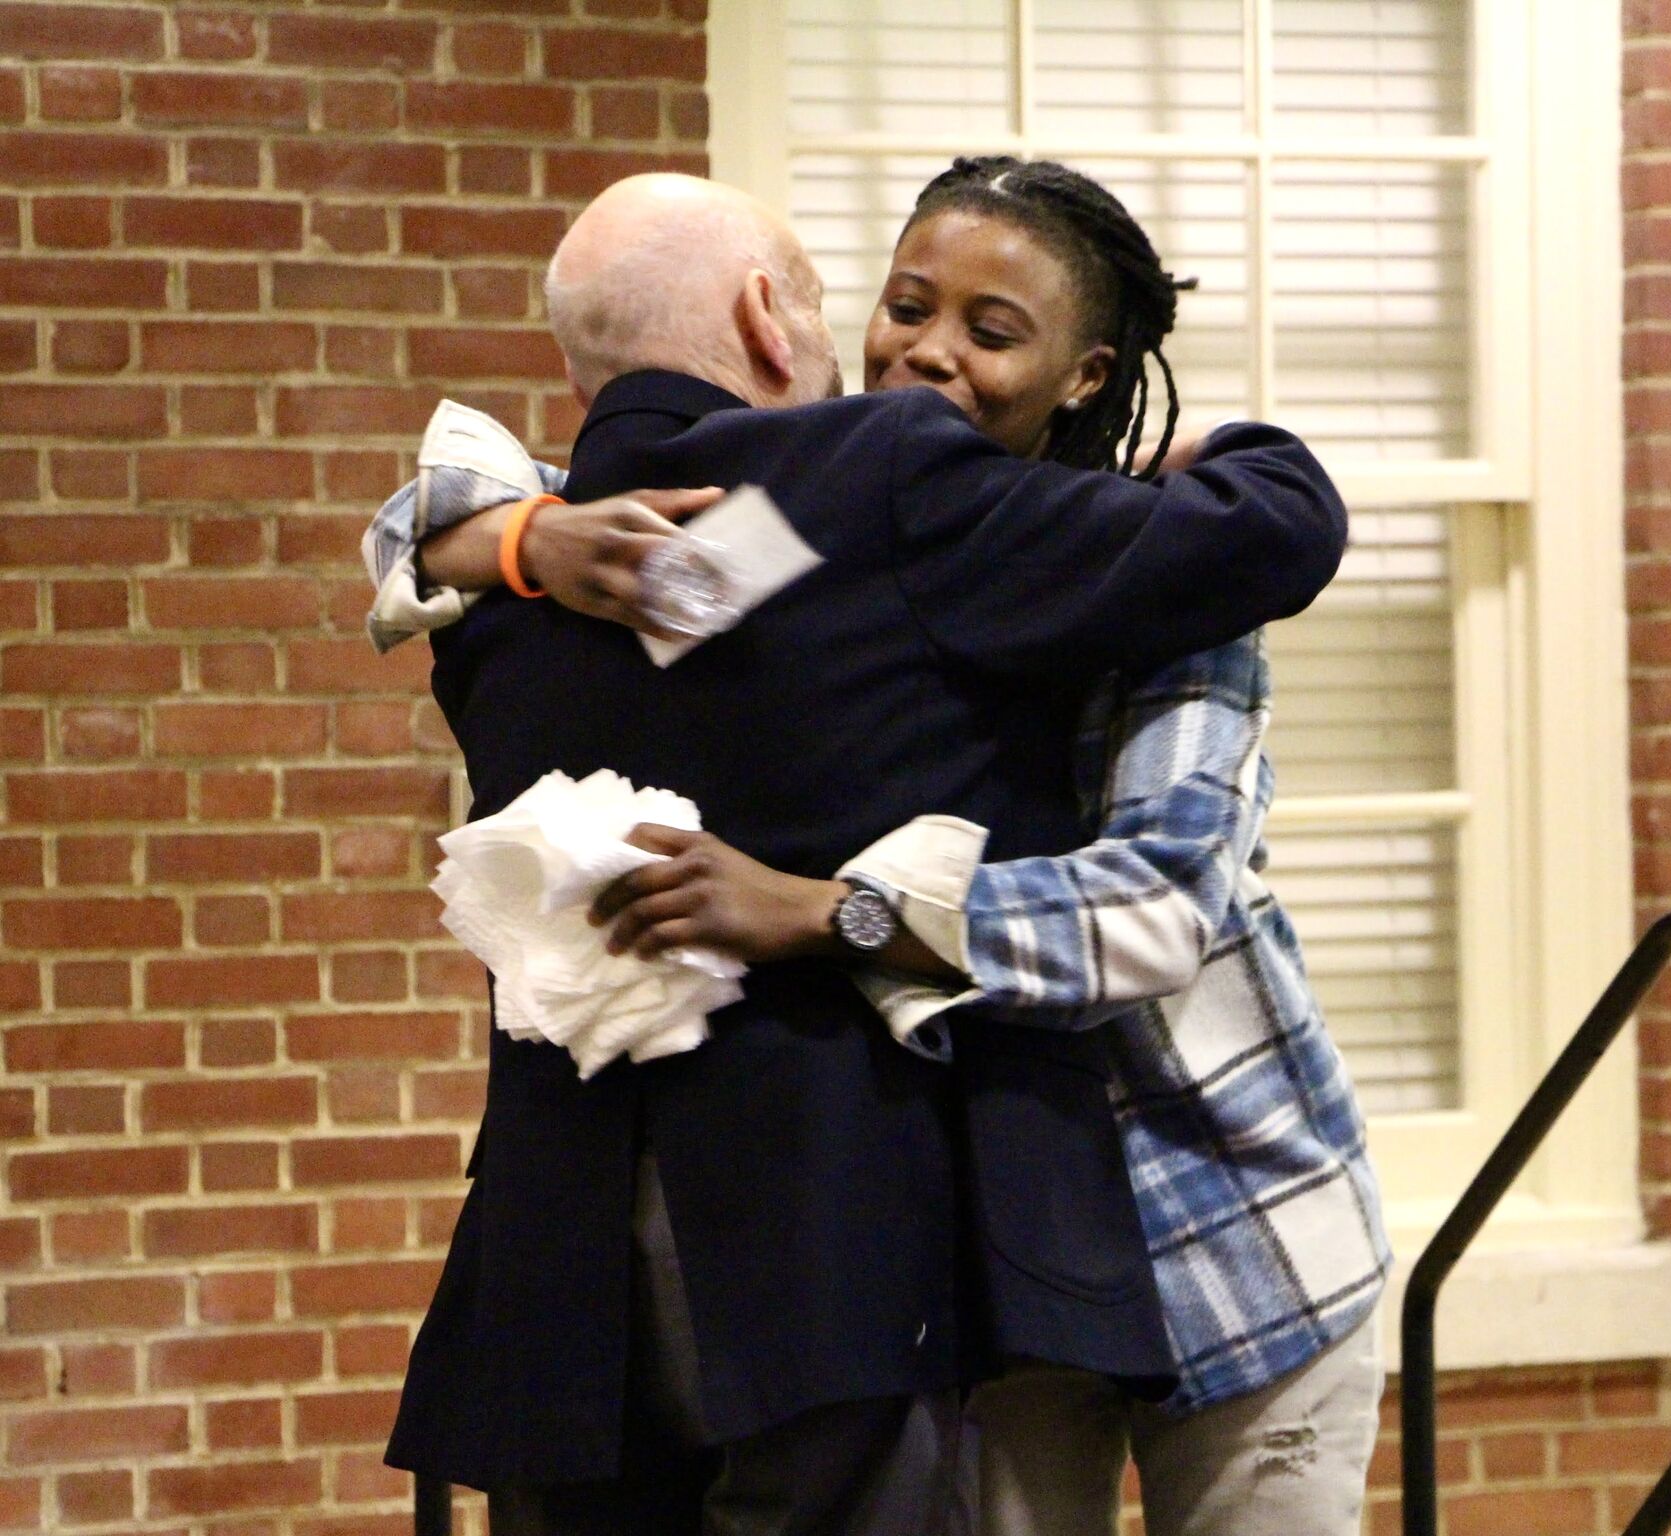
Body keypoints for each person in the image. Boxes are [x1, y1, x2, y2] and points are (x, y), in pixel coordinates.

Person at [372, 159, 1389, 1536]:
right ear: (784, 319)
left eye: (991, 328)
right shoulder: (822, 516)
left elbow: (1158, 913)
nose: (927, 349)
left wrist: (827, 912)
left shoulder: (1128, 580)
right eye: (907, 303)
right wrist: (527, 539)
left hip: (1222, 1207)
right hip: (1016, 1241)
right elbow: (474, 531)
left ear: (1087, 374)